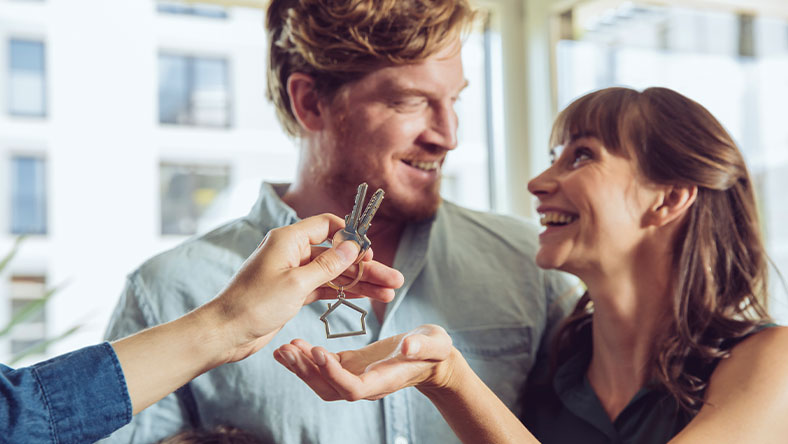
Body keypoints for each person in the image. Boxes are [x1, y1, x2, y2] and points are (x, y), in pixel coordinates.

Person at [101, 0, 578, 443]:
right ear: (309, 103)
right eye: (409, 101)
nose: (448, 135)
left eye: (454, 99)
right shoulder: (168, 294)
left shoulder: (531, 267)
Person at [276, 87, 788, 444]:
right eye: (553, 156)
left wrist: (451, 379)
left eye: (581, 157)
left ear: (668, 199)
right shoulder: (553, 363)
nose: (538, 181)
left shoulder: (770, 362)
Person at [0, 213, 402, 443]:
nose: (446, 135)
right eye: (405, 102)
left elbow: (19, 416)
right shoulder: (165, 281)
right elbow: (20, 419)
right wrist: (225, 326)